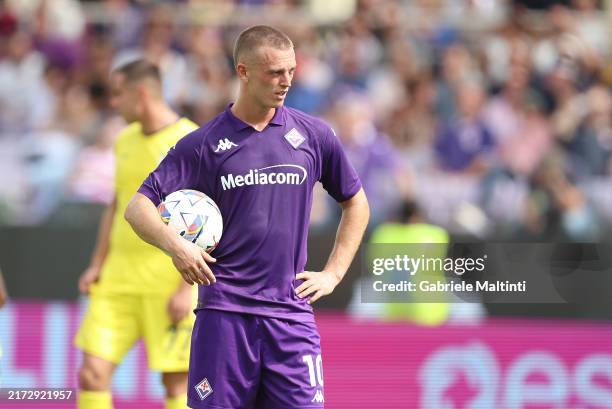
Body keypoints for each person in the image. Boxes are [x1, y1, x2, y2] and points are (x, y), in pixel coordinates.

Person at [125, 25, 370, 409]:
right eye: (275, 72)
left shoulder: (313, 135)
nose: (286, 81)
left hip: (290, 317)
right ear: (243, 71)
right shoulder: (203, 144)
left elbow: (356, 202)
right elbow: (137, 207)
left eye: (291, 70)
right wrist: (178, 248)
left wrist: (334, 272)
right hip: (225, 315)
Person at [74, 59, 199, 409]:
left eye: (118, 94)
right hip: (117, 280)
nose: (113, 103)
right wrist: (97, 263)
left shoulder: (189, 140)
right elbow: (116, 204)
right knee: (92, 373)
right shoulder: (124, 140)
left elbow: (203, 216)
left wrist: (185, 288)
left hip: (168, 283)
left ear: (140, 93)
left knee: (176, 384)